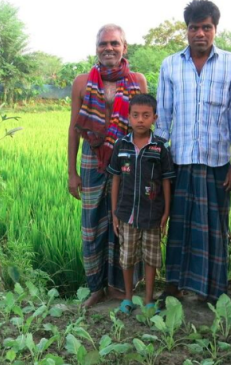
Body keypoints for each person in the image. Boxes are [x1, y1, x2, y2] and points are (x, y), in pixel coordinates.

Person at [155, 0, 231, 303]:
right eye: (194, 27)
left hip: (217, 162)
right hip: (179, 161)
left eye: (206, 27)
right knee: (179, 224)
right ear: (187, 30)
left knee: (213, 226)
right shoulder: (170, 64)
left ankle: (212, 289)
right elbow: (163, 117)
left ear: (215, 29)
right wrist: (157, 164)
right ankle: (174, 284)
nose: (200, 33)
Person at [68, 24, 148, 307]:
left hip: (127, 160)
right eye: (103, 44)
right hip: (92, 159)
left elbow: (145, 125)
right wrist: (72, 172)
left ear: (124, 47)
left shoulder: (137, 80)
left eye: (115, 43)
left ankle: (121, 287)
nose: (109, 48)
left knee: (125, 222)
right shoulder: (82, 82)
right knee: (92, 225)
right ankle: (96, 287)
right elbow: (74, 128)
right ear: (96, 48)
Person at [107, 94, 175, 312]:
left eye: (146, 115)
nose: (140, 120)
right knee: (126, 258)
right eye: (135, 115)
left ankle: (148, 299)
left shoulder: (160, 147)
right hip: (126, 214)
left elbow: (166, 181)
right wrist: (115, 211)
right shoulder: (121, 144)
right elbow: (115, 179)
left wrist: (166, 212)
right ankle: (128, 297)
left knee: (151, 258)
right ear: (128, 118)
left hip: (152, 214)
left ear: (154, 118)